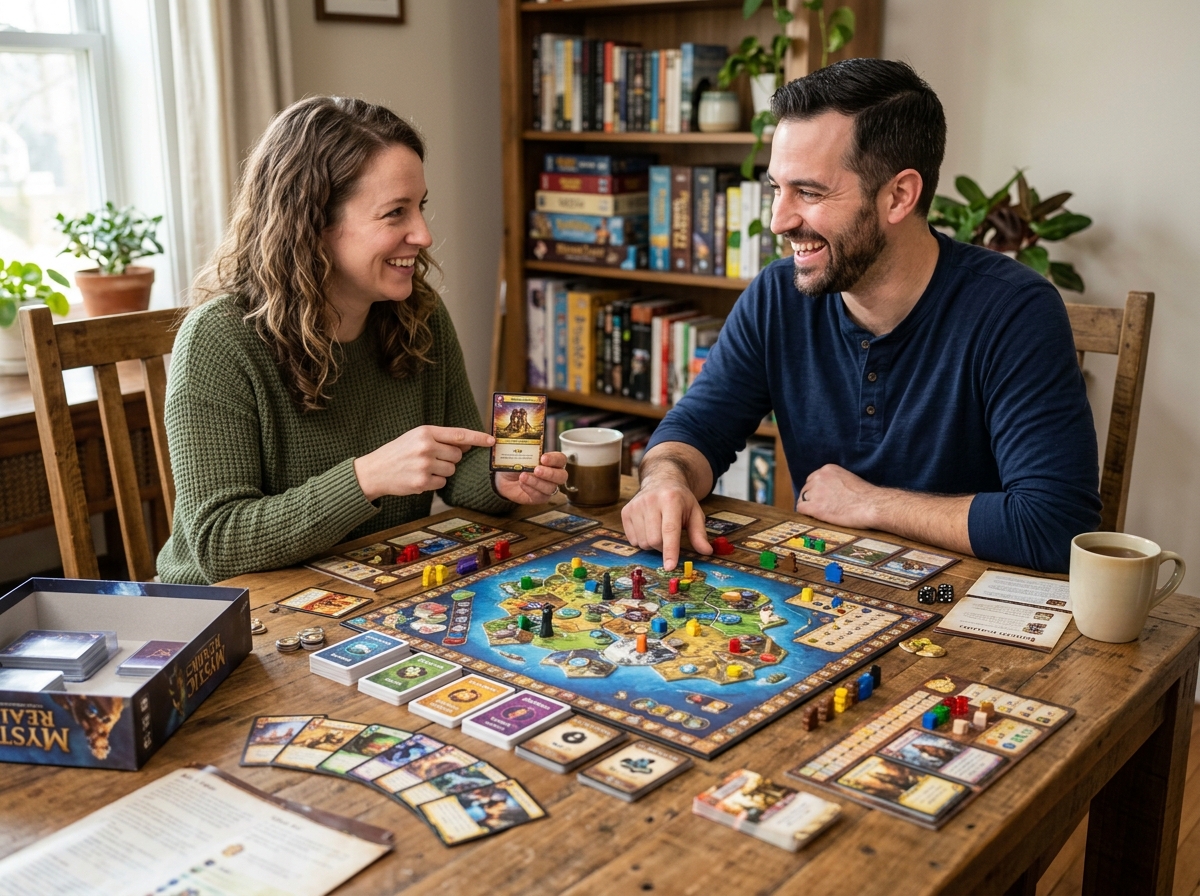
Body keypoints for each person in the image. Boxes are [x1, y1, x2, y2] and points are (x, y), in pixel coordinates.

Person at [623, 59, 1100, 574]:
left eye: (808, 192)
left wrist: (872, 503)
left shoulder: (1014, 310)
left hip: (960, 604)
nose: (779, 220)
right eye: (776, 189)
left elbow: (1056, 525)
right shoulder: (776, 296)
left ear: (898, 196)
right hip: (832, 594)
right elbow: (695, 429)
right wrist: (665, 481)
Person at [158, 96, 567, 584]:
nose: (423, 235)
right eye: (395, 213)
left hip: (373, 584)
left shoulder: (421, 315)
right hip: (230, 614)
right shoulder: (218, 340)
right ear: (312, 225)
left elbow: (460, 466)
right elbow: (219, 544)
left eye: (421, 208)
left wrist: (504, 478)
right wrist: (367, 478)